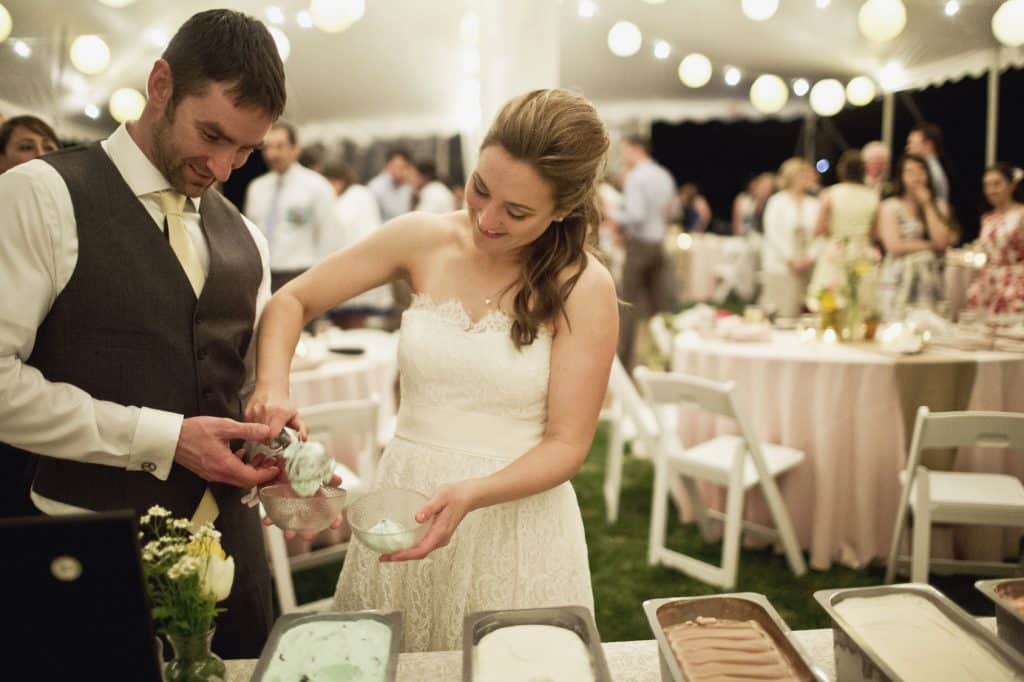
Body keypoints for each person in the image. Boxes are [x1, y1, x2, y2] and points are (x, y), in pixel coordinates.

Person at [247, 89, 618, 652]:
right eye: (480, 189)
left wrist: (473, 493)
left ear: (562, 209)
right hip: (406, 500)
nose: (487, 219)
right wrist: (273, 393)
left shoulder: (584, 286)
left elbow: (567, 445)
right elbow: (289, 302)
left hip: (516, 524)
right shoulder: (421, 238)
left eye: (517, 213)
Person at [0, 9, 288, 658]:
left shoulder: (248, 237)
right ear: (161, 85)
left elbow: (232, 387)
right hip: (94, 556)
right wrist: (163, 439)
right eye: (210, 134)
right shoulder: (39, 197)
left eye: (245, 149)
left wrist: (279, 450)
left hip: (236, 562)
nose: (222, 165)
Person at [244, 121, 339, 292]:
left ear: (296, 149)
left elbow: (329, 236)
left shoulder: (316, 186)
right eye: (267, 148)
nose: (272, 154)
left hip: (301, 274)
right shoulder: (256, 188)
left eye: (280, 146)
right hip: (263, 274)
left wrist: (320, 280)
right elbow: (250, 233)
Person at [612, 134, 677, 369]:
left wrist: (612, 214)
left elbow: (635, 216)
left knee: (627, 307)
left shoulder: (636, 177)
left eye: (625, 149)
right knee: (660, 310)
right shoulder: (663, 175)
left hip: (639, 246)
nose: (623, 155)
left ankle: (625, 367)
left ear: (635, 149)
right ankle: (665, 362)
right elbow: (672, 210)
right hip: (658, 244)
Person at [876, 154, 956, 320]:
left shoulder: (938, 206)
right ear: (901, 176)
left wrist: (927, 205)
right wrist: (930, 245)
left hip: (931, 281)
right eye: (910, 172)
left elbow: (942, 241)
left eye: (921, 171)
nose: (916, 177)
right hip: (899, 279)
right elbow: (894, 246)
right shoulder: (890, 206)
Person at [321, 159, 393, 328]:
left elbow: (340, 225)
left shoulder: (357, 194)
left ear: (339, 181)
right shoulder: (346, 197)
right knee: (341, 321)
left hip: (360, 266)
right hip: (344, 268)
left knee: (355, 322)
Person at [761, 158, 821, 318]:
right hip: (782, 265)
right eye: (803, 175)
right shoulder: (777, 202)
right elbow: (773, 233)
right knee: (782, 310)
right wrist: (790, 258)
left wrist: (810, 257)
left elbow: (820, 234)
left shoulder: (814, 204)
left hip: (807, 266)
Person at [966, 164, 1024, 318]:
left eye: (997, 184)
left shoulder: (1021, 214)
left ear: (1011, 185)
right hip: (989, 280)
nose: (991, 190)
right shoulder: (987, 218)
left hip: (1016, 280)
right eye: (987, 185)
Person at [814, 150, 878, 243]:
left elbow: (819, 229)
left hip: (837, 249)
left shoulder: (830, 193)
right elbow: (875, 233)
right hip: (863, 250)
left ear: (841, 169)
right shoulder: (873, 196)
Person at [905, 123, 949, 205]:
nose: (907, 148)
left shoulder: (930, 171)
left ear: (928, 145)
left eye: (910, 143)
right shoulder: (933, 168)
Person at [368, 147, 414, 221]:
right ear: (387, 166)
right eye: (396, 166)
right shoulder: (375, 187)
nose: (400, 170)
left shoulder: (409, 187)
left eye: (404, 166)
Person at [732, 172, 774, 236]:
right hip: (744, 237)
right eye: (763, 186)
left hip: (761, 237)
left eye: (767, 187)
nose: (764, 189)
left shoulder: (771, 203)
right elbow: (737, 224)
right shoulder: (743, 199)